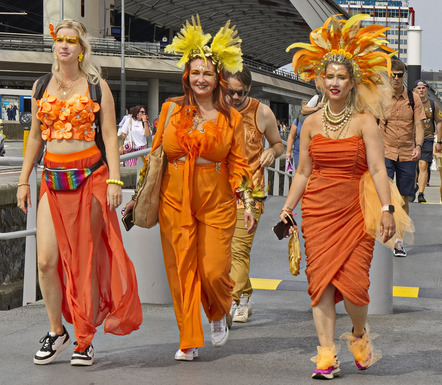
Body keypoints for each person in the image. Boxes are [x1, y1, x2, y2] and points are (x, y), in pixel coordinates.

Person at [283, 14, 413, 380]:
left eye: (342, 76)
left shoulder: (364, 122)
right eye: (330, 76)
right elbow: (303, 172)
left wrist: (388, 208)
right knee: (320, 282)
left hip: (356, 210)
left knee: (355, 286)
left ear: (353, 80)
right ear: (321, 80)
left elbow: (376, 170)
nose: (335, 82)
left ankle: (358, 335)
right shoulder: (309, 122)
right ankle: (326, 355)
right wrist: (287, 207)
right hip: (318, 210)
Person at [125, 15, 257, 361]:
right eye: (195, 72)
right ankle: (188, 338)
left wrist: (246, 203)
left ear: (218, 79)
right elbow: (154, 156)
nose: (201, 79)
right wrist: (139, 194)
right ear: (187, 76)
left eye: (208, 73)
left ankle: (216, 313)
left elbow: (240, 163)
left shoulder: (232, 117)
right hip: (173, 196)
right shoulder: (170, 109)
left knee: (214, 269)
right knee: (181, 269)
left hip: (216, 197)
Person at [16, 19, 142, 367]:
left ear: (82, 48)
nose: (65, 45)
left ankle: (84, 339)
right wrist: (24, 179)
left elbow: (111, 137)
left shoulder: (96, 86)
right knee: (46, 261)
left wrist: (116, 181)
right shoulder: (41, 86)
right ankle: (57, 331)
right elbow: (38, 139)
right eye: (60, 40)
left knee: (84, 262)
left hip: (90, 179)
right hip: (52, 182)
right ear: (54, 45)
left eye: (72, 40)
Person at [225, 65, 284, 323]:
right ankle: (245, 294)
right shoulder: (218, 110)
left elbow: (278, 144)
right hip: (221, 191)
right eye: (230, 92)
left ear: (248, 89)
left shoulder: (262, 112)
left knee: (239, 249)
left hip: (252, 192)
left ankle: (232, 301)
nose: (235, 98)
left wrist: (272, 152)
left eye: (240, 92)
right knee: (224, 251)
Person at [379, 59, 425, 257]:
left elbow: (420, 126)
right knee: (385, 195)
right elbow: (370, 122)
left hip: (407, 153)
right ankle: (384, 236)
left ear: (404, 77)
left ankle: (399, 240)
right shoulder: (380, 98)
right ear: (389, 76)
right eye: (393, 75)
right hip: (385, 151)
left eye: (399, 75)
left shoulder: (413, 99)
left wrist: (418, 146)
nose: (396, 79)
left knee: (404, 197)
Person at [412, 80, 442, 202]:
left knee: (423, 165)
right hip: (411, 138)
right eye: (418, 88)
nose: (421, 90)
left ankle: (421, 193)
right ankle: (413, 186)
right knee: (412, 166)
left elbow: (439, 122)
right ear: (414, 90)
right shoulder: (410, 103)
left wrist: (439, 141)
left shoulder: (432, 104)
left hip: (427, 138)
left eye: (423, 88)